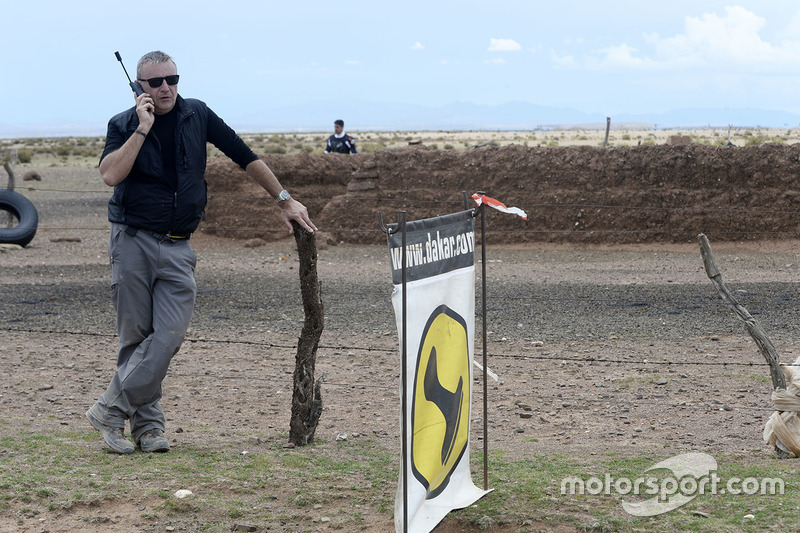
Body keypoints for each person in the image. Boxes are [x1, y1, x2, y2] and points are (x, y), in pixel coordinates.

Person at [86, 50, 317, 454]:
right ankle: (149, 429)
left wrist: (284, 199)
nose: (166, 88)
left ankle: (111, 407)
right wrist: (142, 129)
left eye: (172, 79)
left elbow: (245, 155)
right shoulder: (122, 124)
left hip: (178, 245)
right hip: (133, 240)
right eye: (156, 82)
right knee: (136, 338)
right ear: (139, 87)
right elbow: (110, 175)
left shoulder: (198, 114)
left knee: (168, 336)